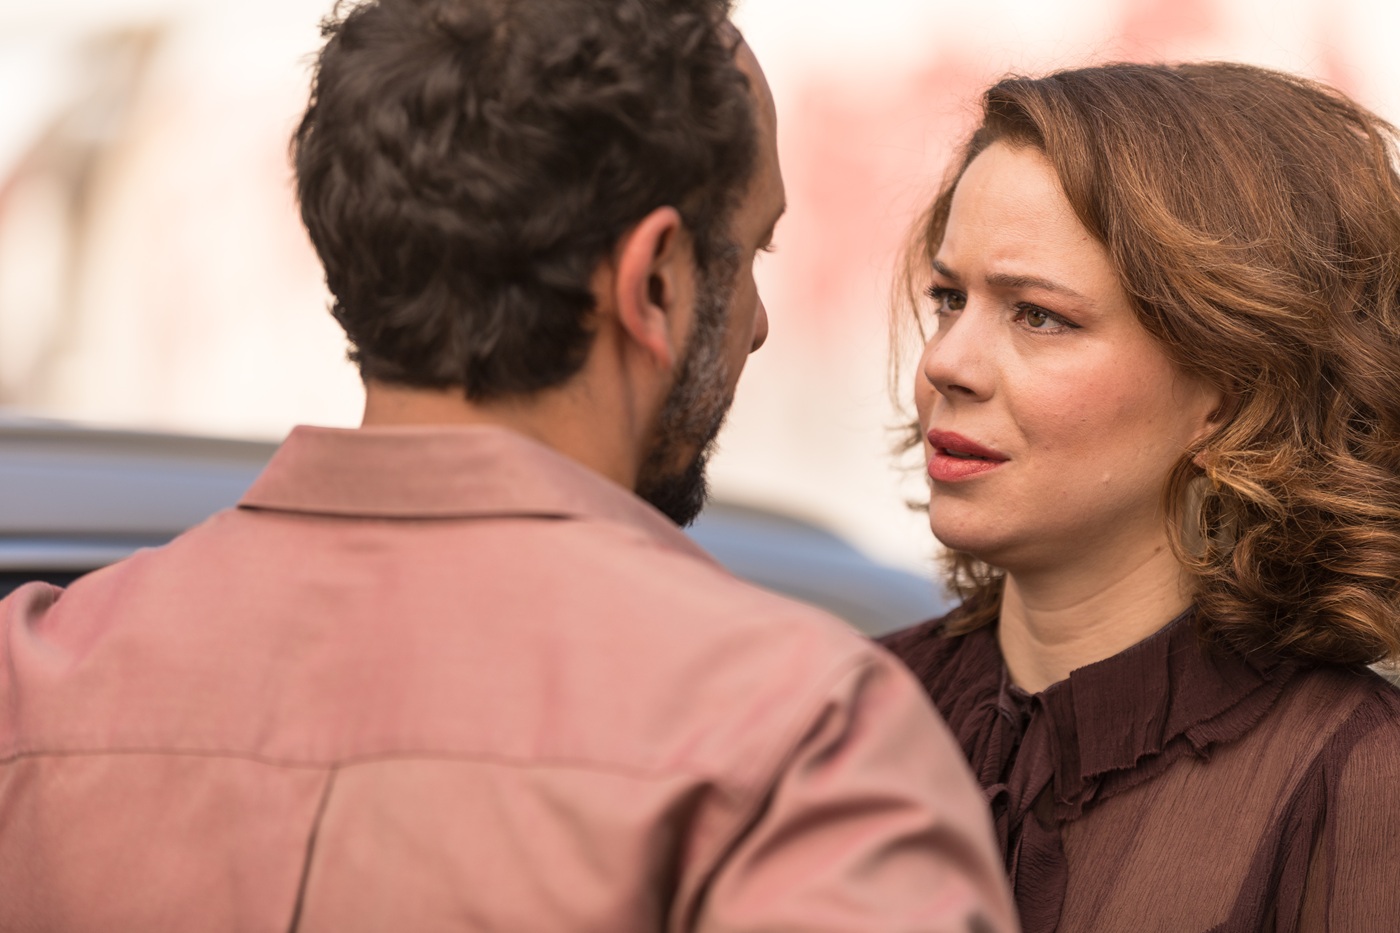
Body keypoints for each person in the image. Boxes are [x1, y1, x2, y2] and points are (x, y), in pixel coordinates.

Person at [0, 1, 1018, 930]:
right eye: (753, 253)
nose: (756, 323)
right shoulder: (795, 742)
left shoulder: (34, 679)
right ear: (653, 282)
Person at [881, 61, 1400, 932]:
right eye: (948, 298)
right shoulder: (833, 714)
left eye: (1038, 314)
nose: (945, 363)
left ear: (1230, 386)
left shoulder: (1356, 782)